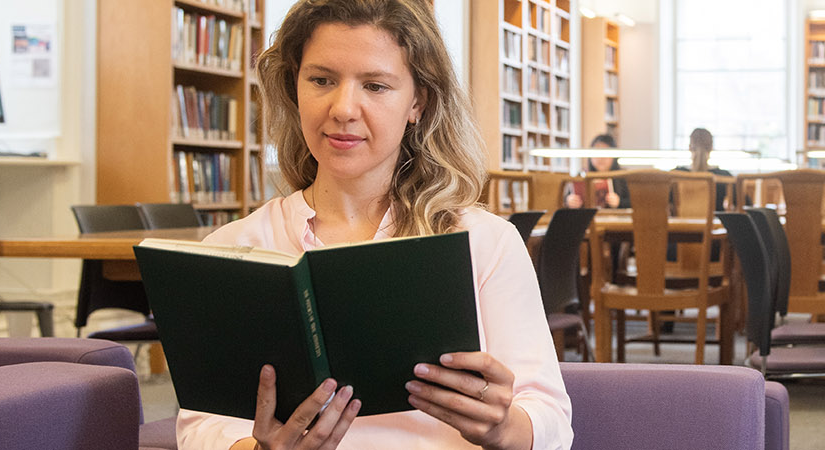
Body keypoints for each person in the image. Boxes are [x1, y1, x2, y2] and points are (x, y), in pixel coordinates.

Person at [179, 1, 573, 449]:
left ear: (417, 102)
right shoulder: (234, 248)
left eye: (375, 85)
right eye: (321, 80)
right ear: (294, 87)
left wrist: (503, 426)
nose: (344, 108)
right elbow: (200, 428)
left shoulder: (484, 242)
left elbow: (553, 425)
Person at [564, 134, 629, 209]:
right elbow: (564, 201)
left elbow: (634, 202)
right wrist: (569, 201)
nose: (601, 158)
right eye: (596, 153)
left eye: (606, 153)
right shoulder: (581, 176)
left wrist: (619, 202)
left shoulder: (623, 177)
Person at [673, 128, 732, 210]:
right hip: (715, 222)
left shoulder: (675, 174)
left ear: (690, 147)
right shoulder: (725, 176)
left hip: (681, 223)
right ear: (711, 148)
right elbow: (746, 204)